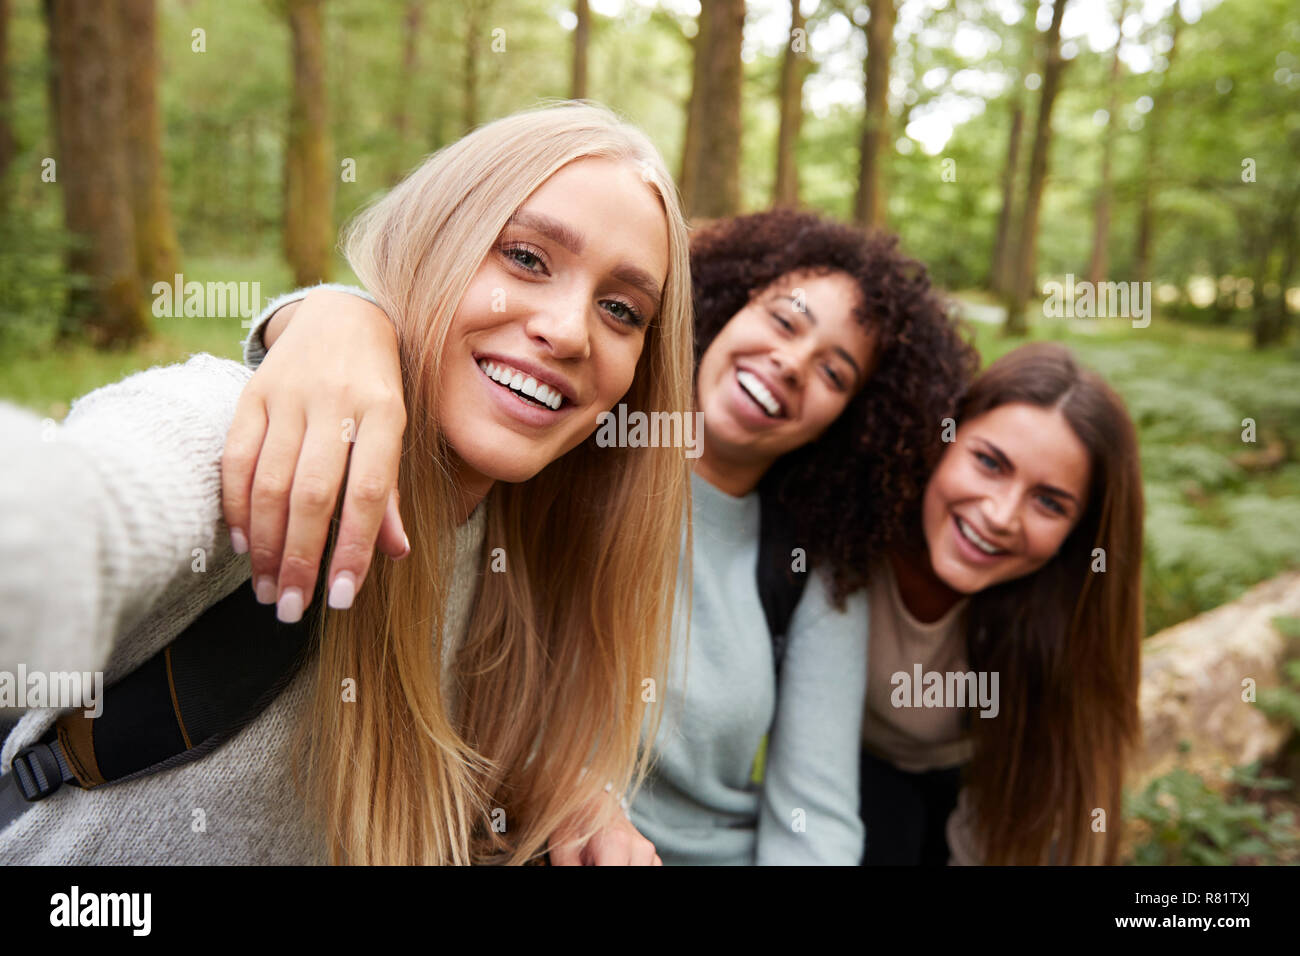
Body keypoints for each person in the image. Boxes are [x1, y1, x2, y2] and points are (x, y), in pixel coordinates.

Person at [0, 102, 696, 865]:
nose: (568, 331)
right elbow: (74, 520)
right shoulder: (250, 435)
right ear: (432, 244)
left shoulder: (525, 545)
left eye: (621, 309)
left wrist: (571, 795)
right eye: (526, 258)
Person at [232, 207, 975, 864]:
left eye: (835, 372)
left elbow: (813, 821)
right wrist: (324, 314)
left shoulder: (810, 570)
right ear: (726, 303)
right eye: (783, 320)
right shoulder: (560, 443)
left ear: (851, 420)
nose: (790, 363)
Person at [861, 342, 1144, 866]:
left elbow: (1040, 819)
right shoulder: (854, 532)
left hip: (980, 784)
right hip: (851, 775)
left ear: (1076, 535)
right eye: (989, 463)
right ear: (945, 437)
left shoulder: (1059, 613)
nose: (1000, 515)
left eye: (1049, 502)